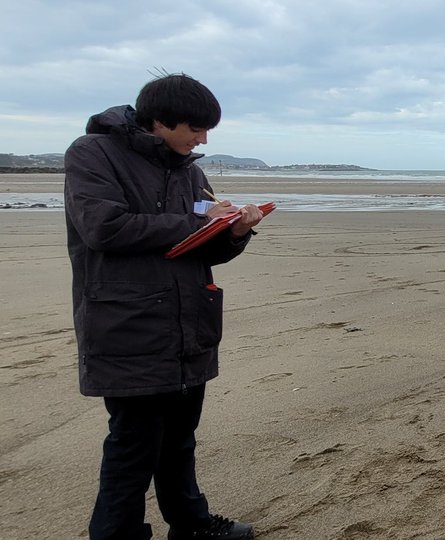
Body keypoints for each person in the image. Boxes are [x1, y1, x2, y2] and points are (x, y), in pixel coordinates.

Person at [64, 73, 260, 540]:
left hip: (189, 319)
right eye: (195, 128)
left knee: (178, 439)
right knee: (133, 445)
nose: (202, 139)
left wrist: (233, 231)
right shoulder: (92, 153)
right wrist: (193, 222)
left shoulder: (189, 169)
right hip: (128, 320)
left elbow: (202, 249)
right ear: (160, 120)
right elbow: (104, 228)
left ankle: (191, 525)